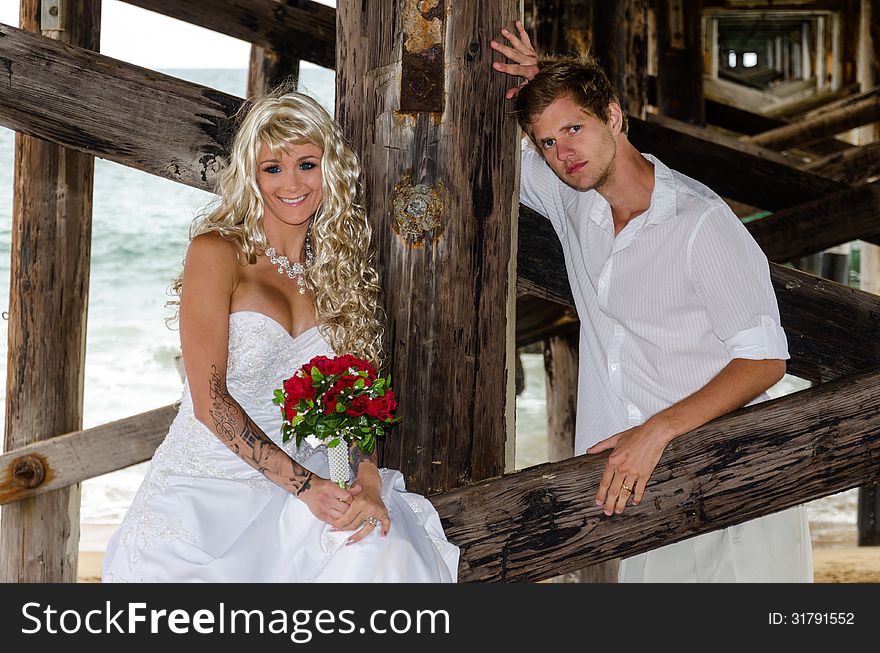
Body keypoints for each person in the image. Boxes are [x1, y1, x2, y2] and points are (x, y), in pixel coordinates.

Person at [491, 23, 812, 582]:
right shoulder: (573, 203)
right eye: (549, 141)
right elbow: (497, 148)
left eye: (576, 128)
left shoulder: (700, 223)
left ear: (614, 117)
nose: (563, 153)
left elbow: (765, 360)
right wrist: (539, 80)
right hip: (640, 491)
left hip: (732, 476)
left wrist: (656, 431)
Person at [102, 91, 459, 582]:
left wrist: (369, 479)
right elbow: (210, 402)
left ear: (330, 169)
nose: (291, 183)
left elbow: (353, 407)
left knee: (377, 550)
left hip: (305, 476)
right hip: (207, 483)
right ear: (252, 175)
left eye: (306, 164)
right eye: (273, 168)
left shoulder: (341, 274)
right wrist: (306, 487)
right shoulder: (216, 253)